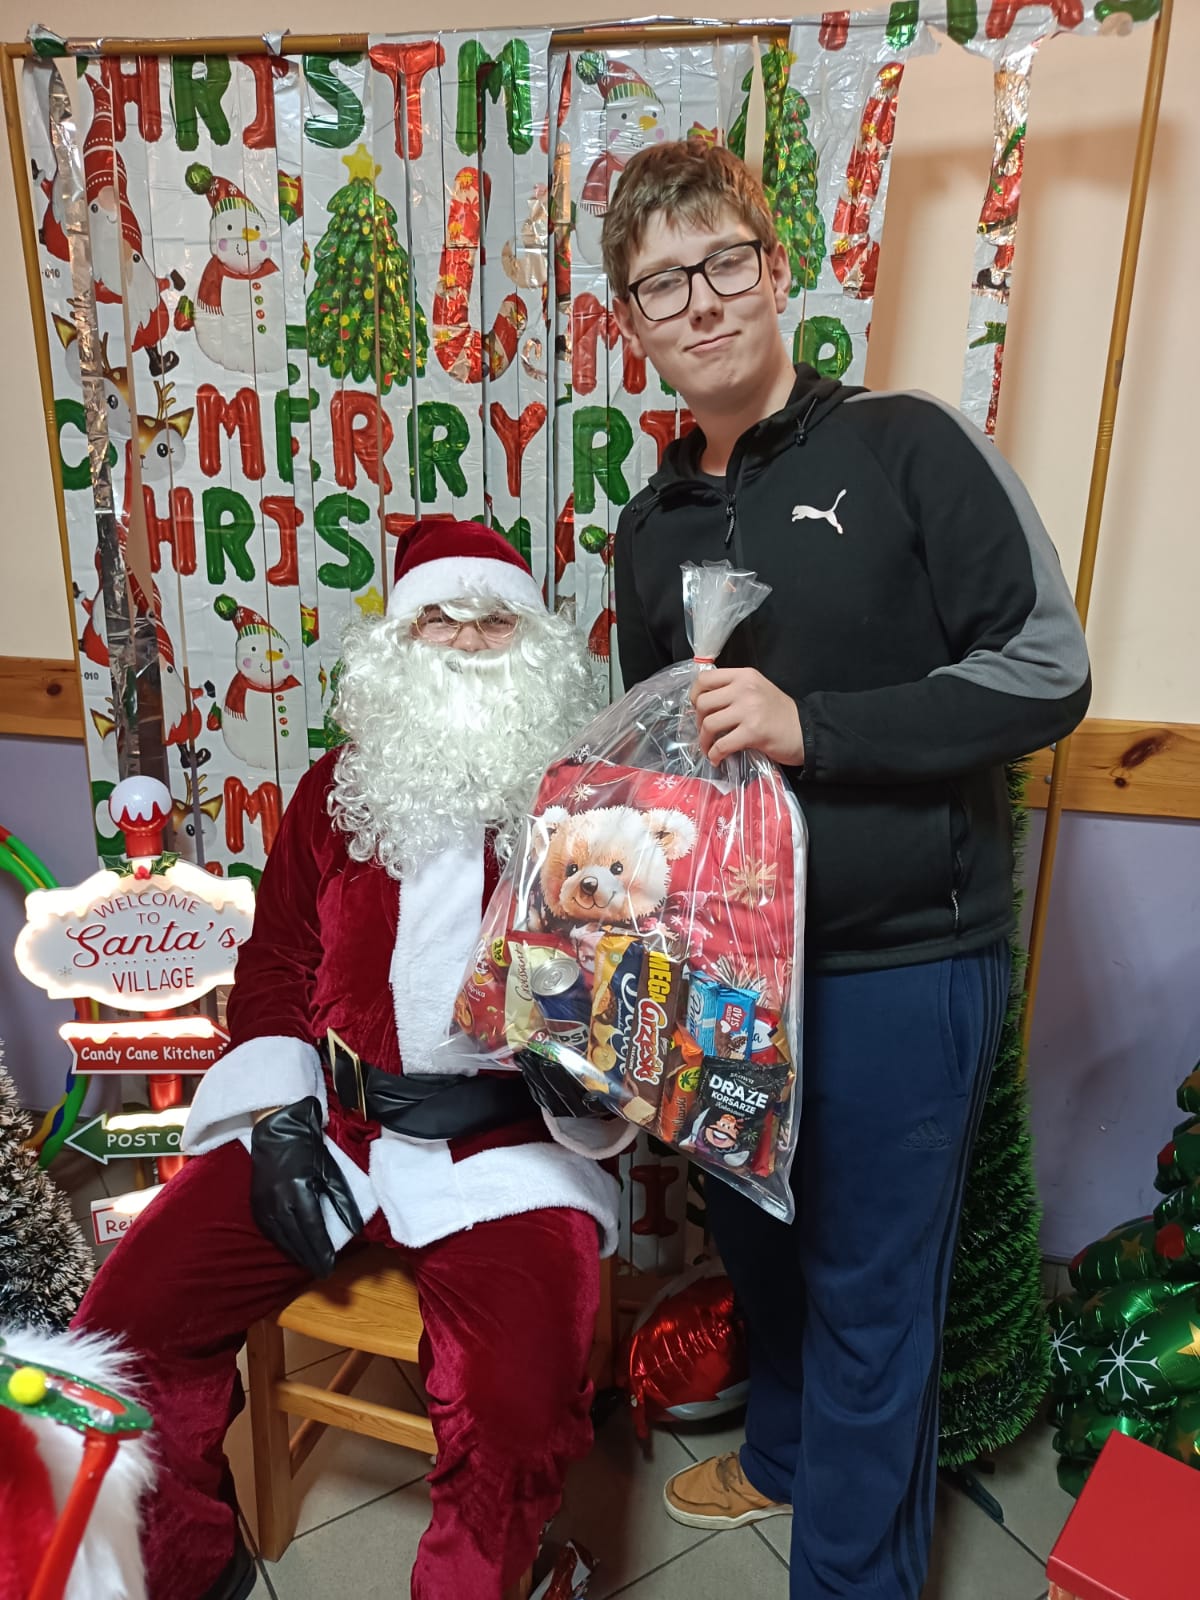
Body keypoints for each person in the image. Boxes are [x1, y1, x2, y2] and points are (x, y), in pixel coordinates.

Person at [603, 141, 1090, 1600]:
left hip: (900, 964)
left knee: (876, 1298)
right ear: (632, 322)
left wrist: (816, 728)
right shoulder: (648, 529)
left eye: (723, 262)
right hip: (726, 980)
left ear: (775, 267)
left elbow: (1047, 672)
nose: (701, 302)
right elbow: (659, 779)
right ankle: (787, 1459)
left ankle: (847, 1580)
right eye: (662, 283)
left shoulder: (905, 446)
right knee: (763, 1258)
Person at [74, 518, 635, 1600]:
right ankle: (190, 1562)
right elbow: (277, 961)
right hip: (330, 1126)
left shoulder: (591, 815)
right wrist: (277, 1118)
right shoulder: (337, 791)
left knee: (514, 1413)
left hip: (511, 1154)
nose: (464, 641)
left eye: (492, 623)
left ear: (533, 647)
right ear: (399, 641)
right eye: (440, 618)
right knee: (125, 1328)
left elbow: (632, 1008)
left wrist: (587, 1073)